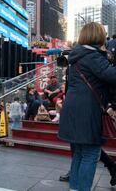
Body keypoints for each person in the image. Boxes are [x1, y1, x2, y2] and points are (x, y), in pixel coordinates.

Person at [58, 22, 116, 191]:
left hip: (72, 109)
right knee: (91, 154)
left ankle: (74, 188)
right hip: (87, 110)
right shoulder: (93, 56)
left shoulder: (76, 55)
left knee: (79, 153)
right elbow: (112, 75)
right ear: (97, 36)